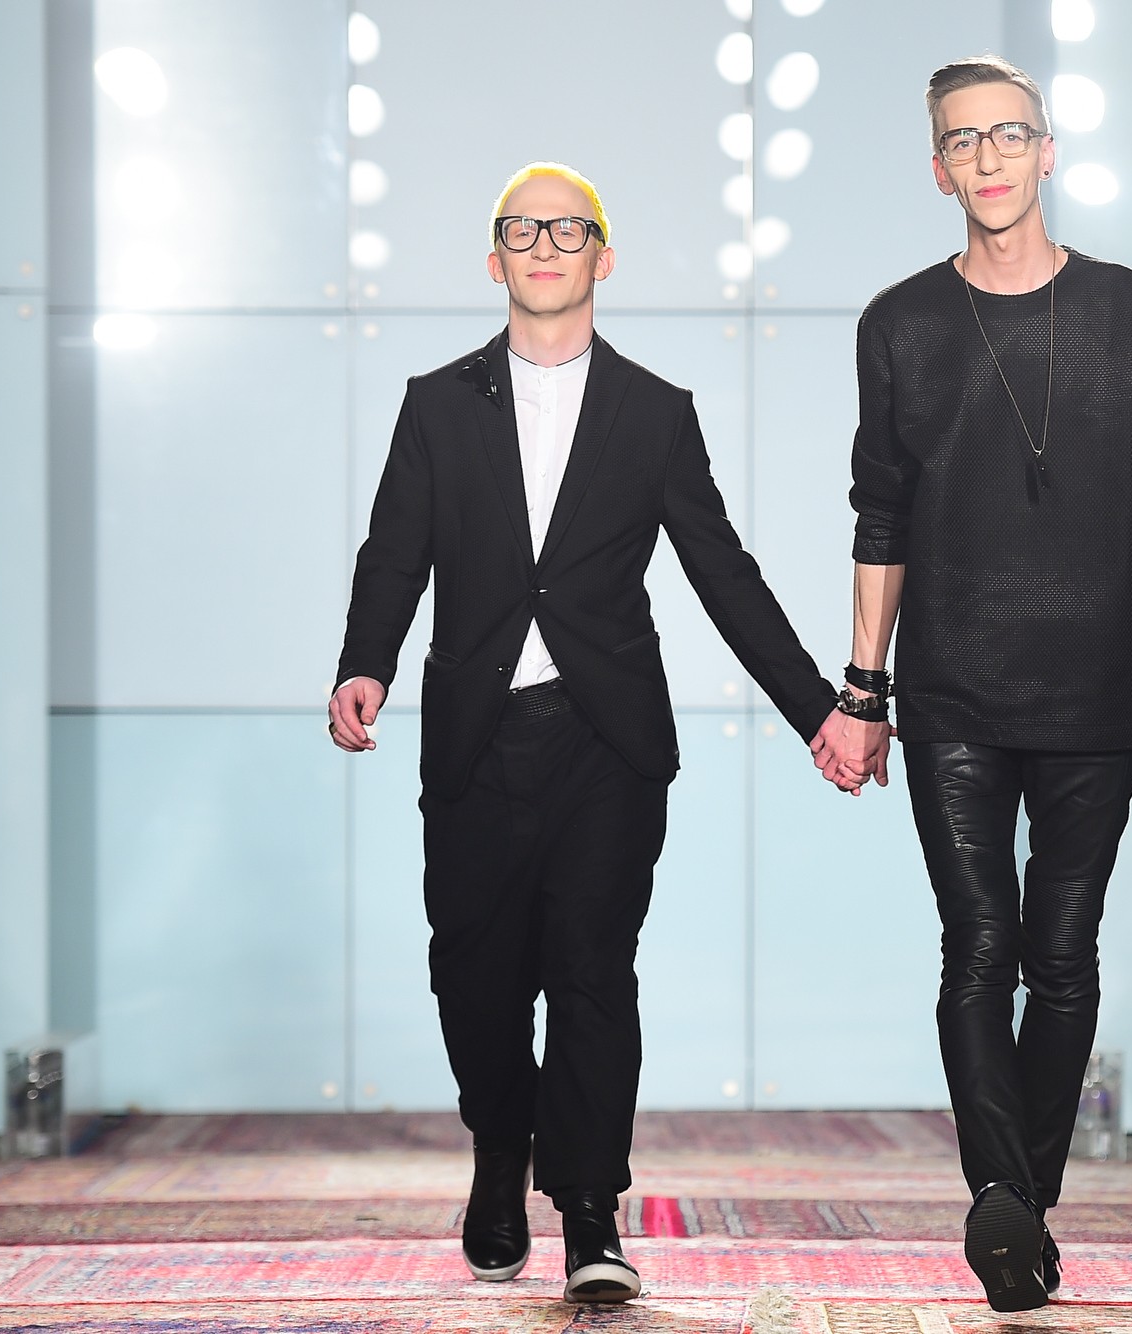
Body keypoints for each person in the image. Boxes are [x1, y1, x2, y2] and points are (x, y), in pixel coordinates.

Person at [329, 162, 862, 1303]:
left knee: (591, 974)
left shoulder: (653, 412)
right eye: (521, 230)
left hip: (605, 743)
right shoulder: (436, 403)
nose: (544, 245)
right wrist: (364, 661)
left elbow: (721, 571)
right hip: (476, 736)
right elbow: (394, 550)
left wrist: (818, 707)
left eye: (567, 229)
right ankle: (498, 1144)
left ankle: (587, 1211)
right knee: (473, 976)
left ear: (602, 257)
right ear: (494, 260)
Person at [811, 56, 1132, 1312]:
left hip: (1093, 684)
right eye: (962, 140)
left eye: (1006, 135)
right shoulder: (899, 324)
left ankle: (1015, 1209)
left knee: (1061, 952)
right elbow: (878, 515)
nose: (986, 157)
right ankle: (1002, 1192)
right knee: (977, 941)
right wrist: (863, 689)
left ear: (1046, 151)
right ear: (937, 168)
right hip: (952, 686)